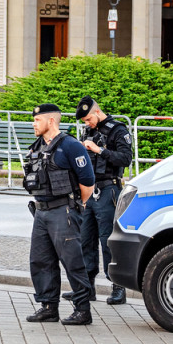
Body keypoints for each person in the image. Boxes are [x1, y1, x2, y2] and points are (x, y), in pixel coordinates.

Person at [24, 103, 95, 325]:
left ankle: (83, 310)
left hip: (63, 211)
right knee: (41, 260)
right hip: (41, 212)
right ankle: (48, 307)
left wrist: (76, 205)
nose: (34, 124)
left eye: (37, 120)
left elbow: (88, 181)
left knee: (72, 261)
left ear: (51, 121)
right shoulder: (37, 146)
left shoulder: (70, 146)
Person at [61, 95, 133, 305]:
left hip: (108, 189)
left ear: (95, 112)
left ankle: (118, 287)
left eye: (87, 120)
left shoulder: (117, 129)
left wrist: (99, 150)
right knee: (85, 240)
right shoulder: (89, 131)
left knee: (108, 241)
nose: (86, 124)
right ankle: (86, 288)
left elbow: (125, 158)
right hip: (89, 191)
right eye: (84, 122)